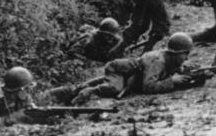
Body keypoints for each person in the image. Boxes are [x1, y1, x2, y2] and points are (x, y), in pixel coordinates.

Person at [52, 32, 206, 105]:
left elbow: (173, 69)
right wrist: (172, 81)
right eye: (185, 54)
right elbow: (149, 87)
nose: (186, 58)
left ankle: (55, 95)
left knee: (82, 85)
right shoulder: (157, 61)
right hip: (117, 70)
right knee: (112, 87)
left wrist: (194, 74)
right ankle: (88, 94)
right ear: (175, 53)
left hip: (127, 76)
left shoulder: (169, 58)